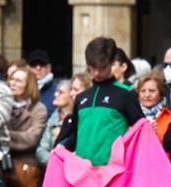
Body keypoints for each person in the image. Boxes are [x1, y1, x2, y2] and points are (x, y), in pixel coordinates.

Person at [56, 37, 145, 167]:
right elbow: (77, 133)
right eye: (93, 67)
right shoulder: (81, 98)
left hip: (113, 174)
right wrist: (61, 147)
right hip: (83, 174)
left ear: (112, 62)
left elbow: (140, 133)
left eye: (102, 67)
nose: (97, 73)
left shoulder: (126, 94)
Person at [6, 63, 48, 187]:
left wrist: (4, 135)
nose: (13, 83)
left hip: (26, 169)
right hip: (3, 166)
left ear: (28, 85)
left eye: (18, 81)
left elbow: (32, 139)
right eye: (11, 79)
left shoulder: (38, 109)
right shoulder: (2, 106)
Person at [37, 79, 74, 166]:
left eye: (61, 92)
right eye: (56, 91)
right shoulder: (53, 118)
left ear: (71, 95)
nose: (55, 94)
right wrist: (54, 161)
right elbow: (41, 149)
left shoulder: (77, 120)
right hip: (52, 168)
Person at [135, 71, 171, 145]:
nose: (147, 95)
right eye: (143, 91)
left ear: (161, 93)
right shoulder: (131, 117)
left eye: (152, 91)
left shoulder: (170, 115)